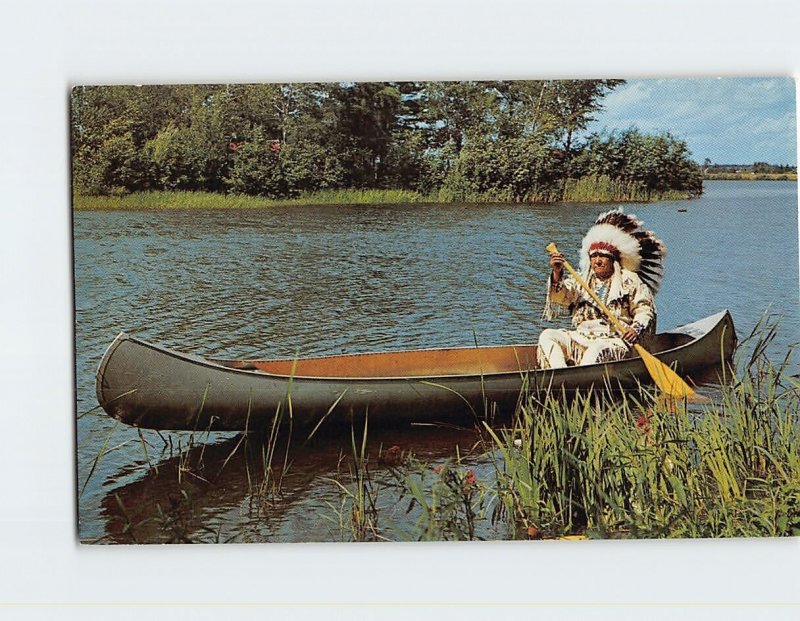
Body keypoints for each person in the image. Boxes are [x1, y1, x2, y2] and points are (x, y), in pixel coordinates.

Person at [537, 209, 666, 369]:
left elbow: (644, 310)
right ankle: (559, 374)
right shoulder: (582, 280)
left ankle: (580, 378)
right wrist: (557, 272)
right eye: (593, 257)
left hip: (614, 341)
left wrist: (635, 329)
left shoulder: (629, 280)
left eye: (602, 256)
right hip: (580, 338)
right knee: (548, 335)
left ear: (613, 260)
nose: (597, 261)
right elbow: (561, 296)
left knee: (597, 349)